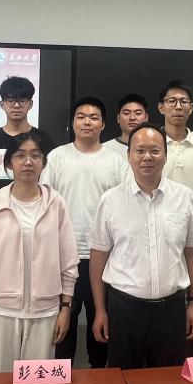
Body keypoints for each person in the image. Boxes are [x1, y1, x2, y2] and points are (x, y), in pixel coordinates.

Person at [88, 123, 193, 369]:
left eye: (154, 150)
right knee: (124, 377)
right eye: (140, 150)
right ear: (129, 155)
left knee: (167, 378)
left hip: (172, 309)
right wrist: (100, 309)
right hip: (124, 308)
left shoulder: (185, 198)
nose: (147, 157)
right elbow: (98, 256)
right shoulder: (110, 201)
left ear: (165, 155)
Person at [0, 132, 79, 373]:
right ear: (8, 163)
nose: (28, 162)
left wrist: (65, 307)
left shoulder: (56, 204)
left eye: (35, 156)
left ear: (43, 163)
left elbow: (68, 261)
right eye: (20, 156)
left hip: (45, 312)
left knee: (37, 381)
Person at [41, 97, 128, 368]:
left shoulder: (116, 162)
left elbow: (125, 207)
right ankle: (60, 375)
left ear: (103, 124)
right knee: (61, 326)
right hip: (63, 255)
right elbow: (45, 203)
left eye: (93, 117)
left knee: (100, 324)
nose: (87, 122)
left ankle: (98, 374)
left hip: (103, 257)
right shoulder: (57, 157)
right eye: (81, 116)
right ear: (73, 123)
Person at [0, 76, 52, 198]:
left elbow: (52, 179)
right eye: (11, 100)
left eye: (22, 100)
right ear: (2, 104)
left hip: (36, 207)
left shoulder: (44, 139)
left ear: (30, 104)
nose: (16, 105)